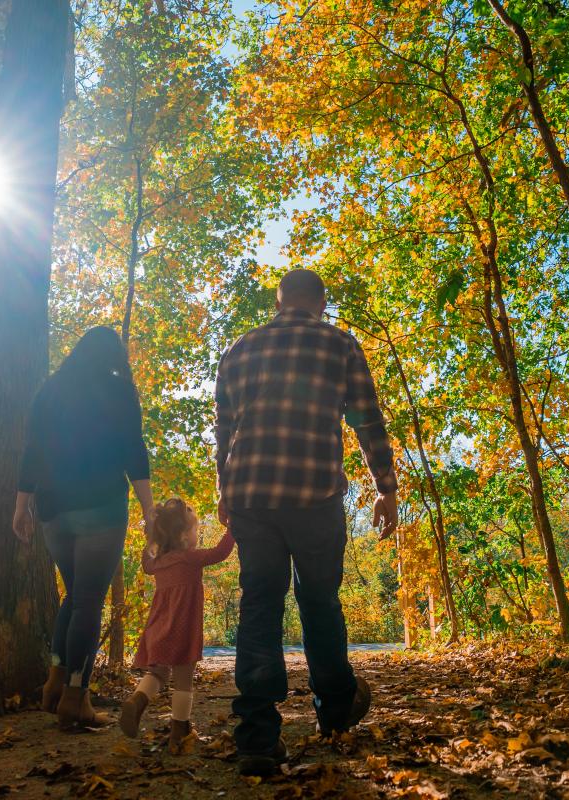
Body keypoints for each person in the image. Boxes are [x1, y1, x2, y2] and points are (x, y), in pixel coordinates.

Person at [214, 269, 399, 776]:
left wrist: (224, 489)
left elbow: (224, 427)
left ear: (279, 302)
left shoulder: (240, 349)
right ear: (321, 301)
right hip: (314, 497)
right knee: (319, 602)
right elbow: (368, 419)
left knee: (259, 606)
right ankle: (335, 712)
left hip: (252, 495)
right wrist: (386, 487)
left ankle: (256, 735)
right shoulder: (339, 345)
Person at [12, 326, 154, 732]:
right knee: (89, 601)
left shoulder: (50, 390)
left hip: (52, 509)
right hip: (102, 506)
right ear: (113, 357)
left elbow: (32, 452)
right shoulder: (119, 390)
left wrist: (21, 507)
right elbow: (134, 449)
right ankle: (77, 697)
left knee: (74, 597)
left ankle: (54, 684)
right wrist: (148, 508)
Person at [119, 498, 235, 753]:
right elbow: (221, 553)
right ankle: (179, 731)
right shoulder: (191, 558)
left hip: (158, 627)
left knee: (158, 673)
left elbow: (146, 564)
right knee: (183, 680)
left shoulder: (158, 563)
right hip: (182, 628)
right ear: (184, 535)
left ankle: (138, 700)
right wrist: (232, 525)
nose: (197, 534)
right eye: (195, 530)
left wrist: (150, 539)